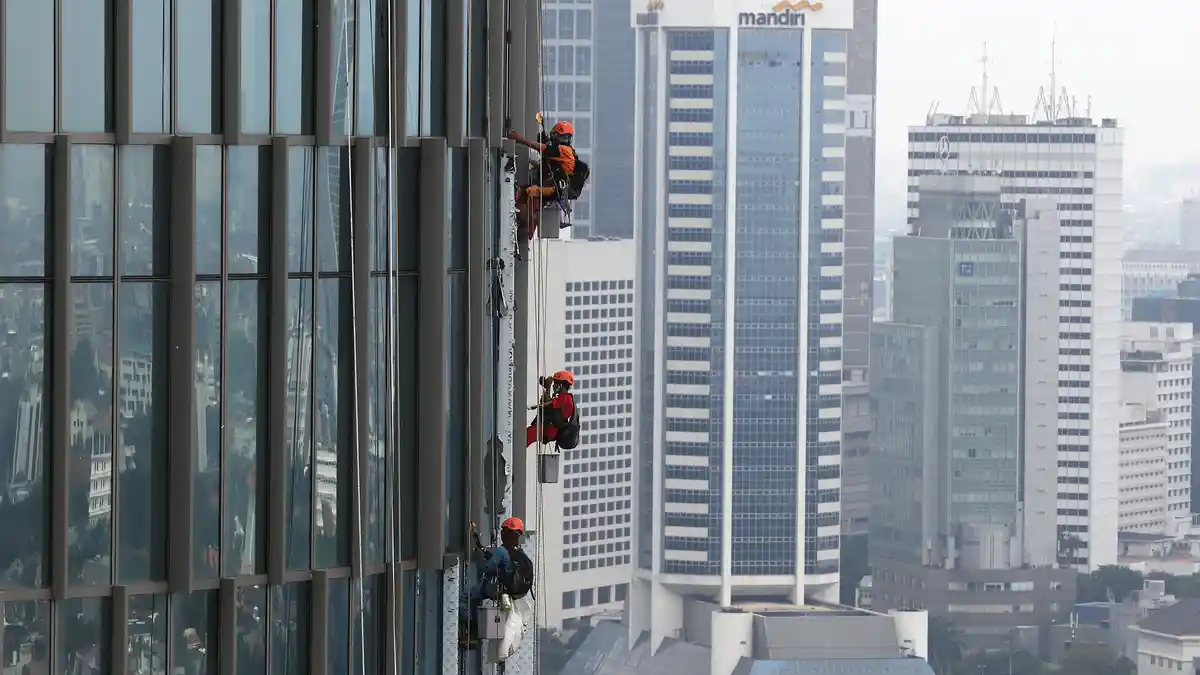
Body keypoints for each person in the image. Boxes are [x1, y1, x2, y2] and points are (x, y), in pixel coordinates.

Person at [460, 517, 534, 647]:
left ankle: (473, 632)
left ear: (505, 533)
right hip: (510, 593)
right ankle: (474, 631)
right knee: (476, 599)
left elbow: (486, 568)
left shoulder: (502, 551)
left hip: (496, 589)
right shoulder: (520, 552)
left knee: (463, 599)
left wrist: (483, 559)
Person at [507, 121, 587, 239]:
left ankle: (521, 223)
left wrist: (519, 139)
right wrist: (538, 165)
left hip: (555, 189)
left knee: (529, 191)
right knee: (528, 195)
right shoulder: (567, 152)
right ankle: (522, 221)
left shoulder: (563, 150)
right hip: (556, 188)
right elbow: (554, 167)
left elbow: (542, 148)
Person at [525, 370, 578, 448]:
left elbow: (547, 403)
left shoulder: (566, 399)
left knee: (524, 437)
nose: (554, 385)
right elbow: (547, 403)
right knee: (524, 436)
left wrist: (548, 388)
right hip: (548, 427)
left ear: (562, 385)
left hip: (549, 429)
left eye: (556, 383)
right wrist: (547, 388)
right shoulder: (562, 397)